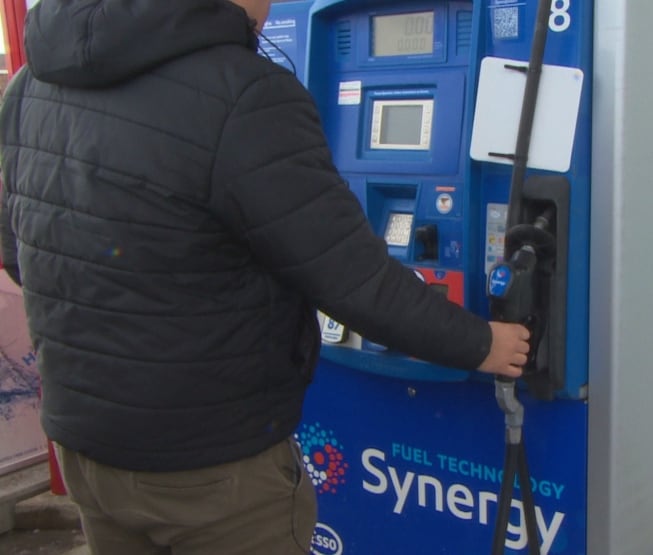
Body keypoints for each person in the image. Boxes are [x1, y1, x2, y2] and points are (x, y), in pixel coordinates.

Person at [0, 0, 531, 553]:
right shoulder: (245, 94)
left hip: (87, 449)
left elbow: (21, 253)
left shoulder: (29, 83)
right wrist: (483, 343)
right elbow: (354, 280)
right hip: (213, 467)